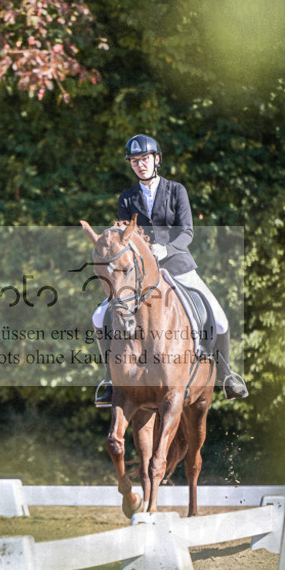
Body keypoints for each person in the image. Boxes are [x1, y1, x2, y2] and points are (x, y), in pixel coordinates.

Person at [93, 134, 248, 405]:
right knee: (99, 317)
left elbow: (187, 231)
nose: (140, 165)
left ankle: (225, 375)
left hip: (178, 266)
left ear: (156, 159)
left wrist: (169, 249)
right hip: (140, 274)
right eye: (134, 161)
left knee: (221, 320)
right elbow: (123, 235)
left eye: (144, 159)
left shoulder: (177, 191)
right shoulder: (127, 198)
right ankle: (109, 379)